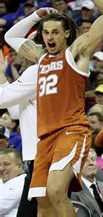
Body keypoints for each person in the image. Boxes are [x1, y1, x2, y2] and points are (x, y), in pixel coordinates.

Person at [4, 0, 103, 216]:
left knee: (56, 191)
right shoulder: (40, 58)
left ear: (67, 33)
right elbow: (11, 37)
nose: (50, 37)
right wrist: (35, 16)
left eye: (55, 32)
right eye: (46, 33)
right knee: (43, 206)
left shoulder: (76, 52)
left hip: (71, 130)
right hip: (44, 140)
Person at [0, 56, 38, 217]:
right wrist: (2, 73)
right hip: (34, 157)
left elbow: (3, 99)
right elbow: (15, 111)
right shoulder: (32, 77)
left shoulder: (37, 72)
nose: (23, 57)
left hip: (41, 156)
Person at [71, 149, 103, 217]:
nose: (91, 163)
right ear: (78, 166)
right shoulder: (74, 192)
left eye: (93, 159)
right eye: (86, 160)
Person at [0, 148, 26, 216]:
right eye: (0, 164)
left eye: (6, 164)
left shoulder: (23, 182)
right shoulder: (2, 181)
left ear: (20, 166)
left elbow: (1, 206)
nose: (1, 168)